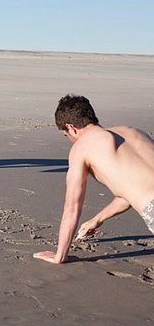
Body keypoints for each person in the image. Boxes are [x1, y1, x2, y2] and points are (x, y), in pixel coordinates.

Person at [33, 94, 154, 264]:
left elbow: (72, 208)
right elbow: (132, 192)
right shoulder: (133, 131)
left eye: (66, 135)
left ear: (71, 128)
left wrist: (59, 255)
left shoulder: (81, 148)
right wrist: (96, 220)